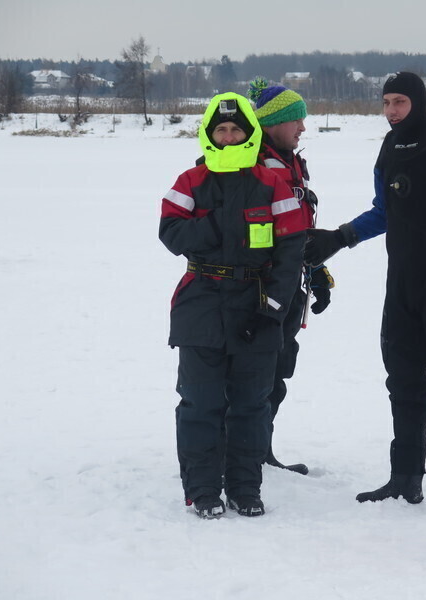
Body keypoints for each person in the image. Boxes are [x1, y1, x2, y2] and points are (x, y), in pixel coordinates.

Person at [305, 72, 426, 516]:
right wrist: (342, 236)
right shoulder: (388, 148)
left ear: (419, 101)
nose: (391, 111)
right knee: (403, 382)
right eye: (386, 102)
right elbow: (385, 211)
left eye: (400, 101)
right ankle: (405, 478)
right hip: (403, 284)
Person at [159, 92, 306, 519]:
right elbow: (172, 234)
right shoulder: (191, 181)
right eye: (220, 130)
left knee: (251, 404)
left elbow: (290, 250)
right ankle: (203, 490)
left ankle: (245, 488)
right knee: (200, 402)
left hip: (256, 305)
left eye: (235, 129)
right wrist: (225, 221)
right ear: (209, 133)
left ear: (249, 133)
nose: (227, 137)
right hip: (201, 303)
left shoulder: (272, 183)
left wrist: (272, 310)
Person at [248, 77, 334, 475]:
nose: (303, 128)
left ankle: (260, 451)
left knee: (278, 370)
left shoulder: (288, 162)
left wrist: (316, 271)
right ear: (272, 122)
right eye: (296, 119)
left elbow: (299, 229)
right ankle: (243, 453)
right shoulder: (253, 167)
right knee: (256, 374)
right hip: (262, 289)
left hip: (289, 285)